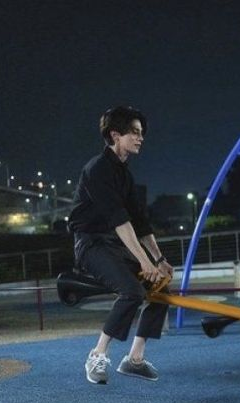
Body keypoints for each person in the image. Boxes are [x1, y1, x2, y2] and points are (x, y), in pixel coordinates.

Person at [68, 106, 174, 384]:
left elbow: (140, 223)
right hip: (90, 245)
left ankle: (134, 360)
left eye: (141, 133)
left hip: (114, 244)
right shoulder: (97, 170)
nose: (141, 138)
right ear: (116, 135)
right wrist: (144, 261)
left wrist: (159, 260)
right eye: (134, 133)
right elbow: (119, 220)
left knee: (161, 290)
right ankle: (97, 354)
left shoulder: (124, 176)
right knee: (132, 292)